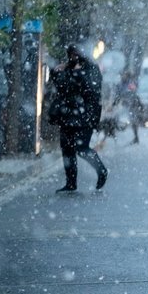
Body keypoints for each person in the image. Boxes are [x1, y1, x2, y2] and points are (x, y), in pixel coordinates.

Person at [48, 45, 108, 192]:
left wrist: (76, 73)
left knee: (81, 148)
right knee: (67, 149)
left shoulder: (91, 69)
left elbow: (90, 89)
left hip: (86, 115)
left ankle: (101, 170)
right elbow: (61, 86)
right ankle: (71, 182)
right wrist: (57, 72)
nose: (73, 57)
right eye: (71, 54)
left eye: (76, 54)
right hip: (68, 115)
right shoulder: (68, 69)